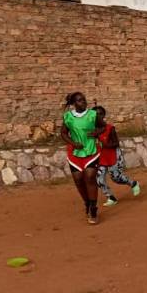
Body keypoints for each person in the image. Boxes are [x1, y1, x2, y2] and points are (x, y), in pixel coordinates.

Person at [60, 92, 101, 224]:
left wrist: (96, 132)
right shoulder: (68, 117)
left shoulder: (93, 115)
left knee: (90, 176)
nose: (83, 102)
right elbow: (63, 133)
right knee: (78, 179)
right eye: (79, 100)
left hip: (91, 150)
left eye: (84, 99)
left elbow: (103, 126)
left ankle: (93, 209)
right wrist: (73, 143)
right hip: (75, 152)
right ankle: (87, 202)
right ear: (73, 104)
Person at [92, 106, 141, 207]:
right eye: (95, 115)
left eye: (100, 114)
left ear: (104, 115)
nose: (97, 116)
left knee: (116, 178)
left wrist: (105, 144)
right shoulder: (92, 130)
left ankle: (133, 183)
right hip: (101, 158)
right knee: (99, 180)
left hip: (113, 155)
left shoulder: (110, 128)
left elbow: (116, 143)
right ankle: (111, 197)